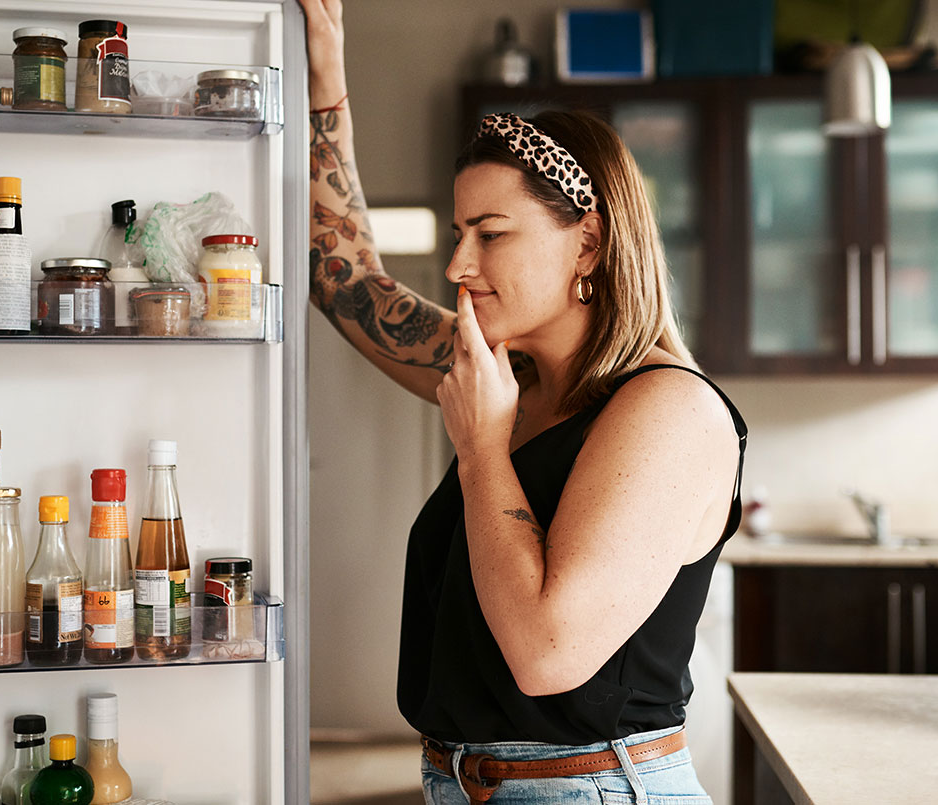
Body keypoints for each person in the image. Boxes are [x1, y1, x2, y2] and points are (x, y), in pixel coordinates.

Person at [300, 2, 747, 802]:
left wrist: (481, 450)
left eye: (492, 233)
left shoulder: (668, 411)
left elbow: (547, 651)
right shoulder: (512, 377)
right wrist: (325, 71)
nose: (458, 263)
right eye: (456, 233)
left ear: (591, 241)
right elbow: (346, 284)